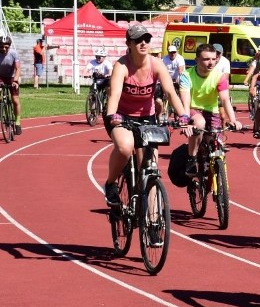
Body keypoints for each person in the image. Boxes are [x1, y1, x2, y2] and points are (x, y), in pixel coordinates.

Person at [102, 25, 193, 207]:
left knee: (150, 167)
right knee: (126, 147)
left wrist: (183, 115)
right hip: (121, 116)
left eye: (147, 39)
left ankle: (152, 219)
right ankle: (111, 183)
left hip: (147, 118)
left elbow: (170, 92)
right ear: (129, 43)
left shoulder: (156, 64)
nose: (143, 43)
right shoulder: (121, 66)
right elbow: (115, 94)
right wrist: (112, 114)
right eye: (137, 40)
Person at [178, 43, 242, 175]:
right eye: (206, 59)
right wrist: (185, 121)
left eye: (214, 59)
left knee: (217, 144)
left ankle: (219, 184)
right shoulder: (186, 75)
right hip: (193, 109)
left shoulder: (220, 76)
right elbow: (185, 101)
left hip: (212, 111)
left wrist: (233, 120)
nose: (211, 62)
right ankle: (192, 158)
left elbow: (224, 99)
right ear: (197, 60)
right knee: (199, 123)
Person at [0, 36, 22, 135]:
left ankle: (17, 122)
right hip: (1, 76)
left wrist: (16, 80)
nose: (4, 49)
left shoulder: (13, 53)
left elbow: (18, 69)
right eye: (1, 47)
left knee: (15, 100)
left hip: (12, 77)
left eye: (6, 47)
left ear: (9, 46)